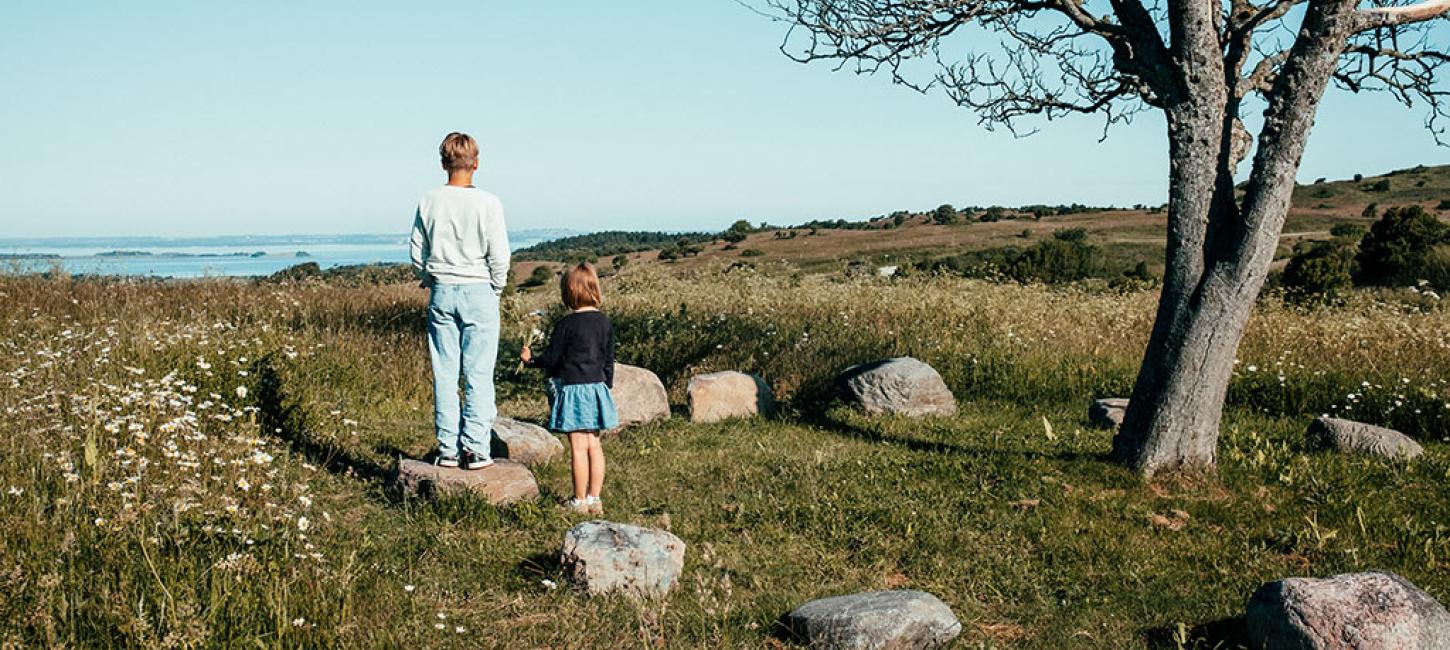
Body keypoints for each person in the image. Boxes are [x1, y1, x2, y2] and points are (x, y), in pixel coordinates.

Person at [410, 132, 510, 470]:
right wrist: (496, 287)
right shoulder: (489, 203)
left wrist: (429, 278)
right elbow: (500, 255)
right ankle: (476, 449)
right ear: (476, 164)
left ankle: (448, 449)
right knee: (478, 374)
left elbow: (416, 251)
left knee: (445, 373)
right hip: (479, 289)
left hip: (442, 290)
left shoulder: (429, 200)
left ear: (443, 163)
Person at [521, 263, 618, 514]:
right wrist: (605, 385)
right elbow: (609, 359)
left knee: (578, 447)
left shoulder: (566, 325)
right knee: (594, 446)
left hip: (574, 390)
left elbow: (553, 360)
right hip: (596, 388)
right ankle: (595, 499)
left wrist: (531, 360)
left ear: (569, 292)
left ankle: (579, 501)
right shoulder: (604, 322)